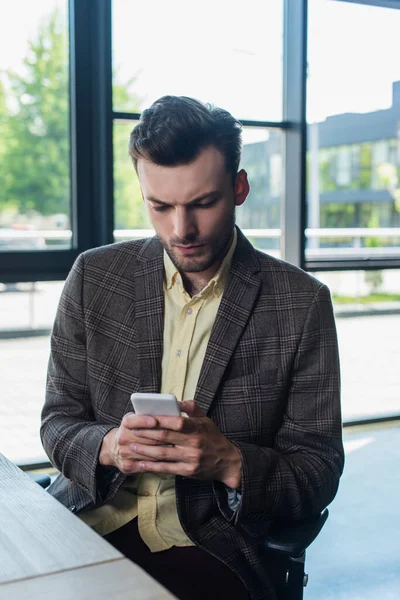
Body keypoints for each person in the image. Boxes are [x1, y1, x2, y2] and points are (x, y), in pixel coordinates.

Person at [41, 95, 344, 600]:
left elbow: (318, 469)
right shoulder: (95, 277)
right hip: (85, 522)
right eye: (160, 206)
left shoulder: (300, 303)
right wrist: (111, 447)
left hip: (213, 541)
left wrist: (229, 463)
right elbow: (57, 423)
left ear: (239, 187)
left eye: (203, 203)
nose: (181, 230)